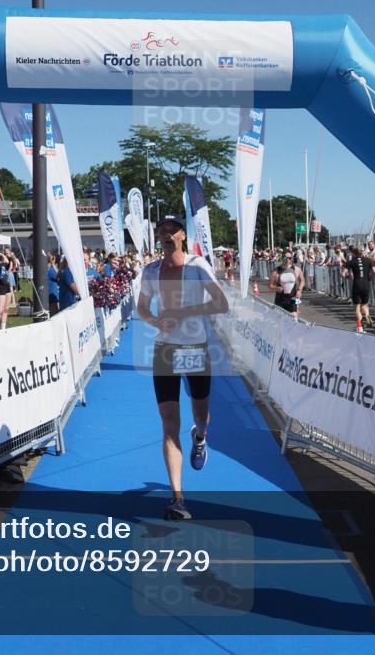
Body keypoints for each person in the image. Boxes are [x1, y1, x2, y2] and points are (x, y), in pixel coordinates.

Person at [137, 215, 228, 521]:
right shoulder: (150, 270)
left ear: (182, 237)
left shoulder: (197, 265)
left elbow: (221, 304)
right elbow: (141, 308)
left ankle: (200, 436)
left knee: (201, 414)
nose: (166, 234)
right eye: (161, 230)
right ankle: (177, 497)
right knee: (168, 421)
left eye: (172, 230)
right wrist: (155, 320)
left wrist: (184, 311)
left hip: (195, 347)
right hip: (165, 349)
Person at [342, 246, 375, 332]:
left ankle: (360, 326)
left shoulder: (350, 262)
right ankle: (367, 316)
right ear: (362, 253)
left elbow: (343, 274)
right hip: (366, 284)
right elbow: (374, 271)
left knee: (357, 306)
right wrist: (369, 277)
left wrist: (348, 277)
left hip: (357, 284)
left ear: (353, 253)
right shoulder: (368, 261)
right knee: (364, 304)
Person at [268, 250, 304, 319]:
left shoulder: (297, 269)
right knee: (280, 321)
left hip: (293, 299)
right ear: (282, 258)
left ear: (292, 259)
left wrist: (299, 290)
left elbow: (302, 281)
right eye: (285, 258)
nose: (287, 260)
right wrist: (276, 288)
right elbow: (270, 286)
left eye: (289, 258)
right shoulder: (276, 271)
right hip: (280, 299)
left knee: (294, 320)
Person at [0, 252, 12, 330]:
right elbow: (6, 262)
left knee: (6, 308)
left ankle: (3, 328)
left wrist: (7, 255)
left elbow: (11, 262)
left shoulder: (2, 261)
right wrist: (1, 254)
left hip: (6, 284)